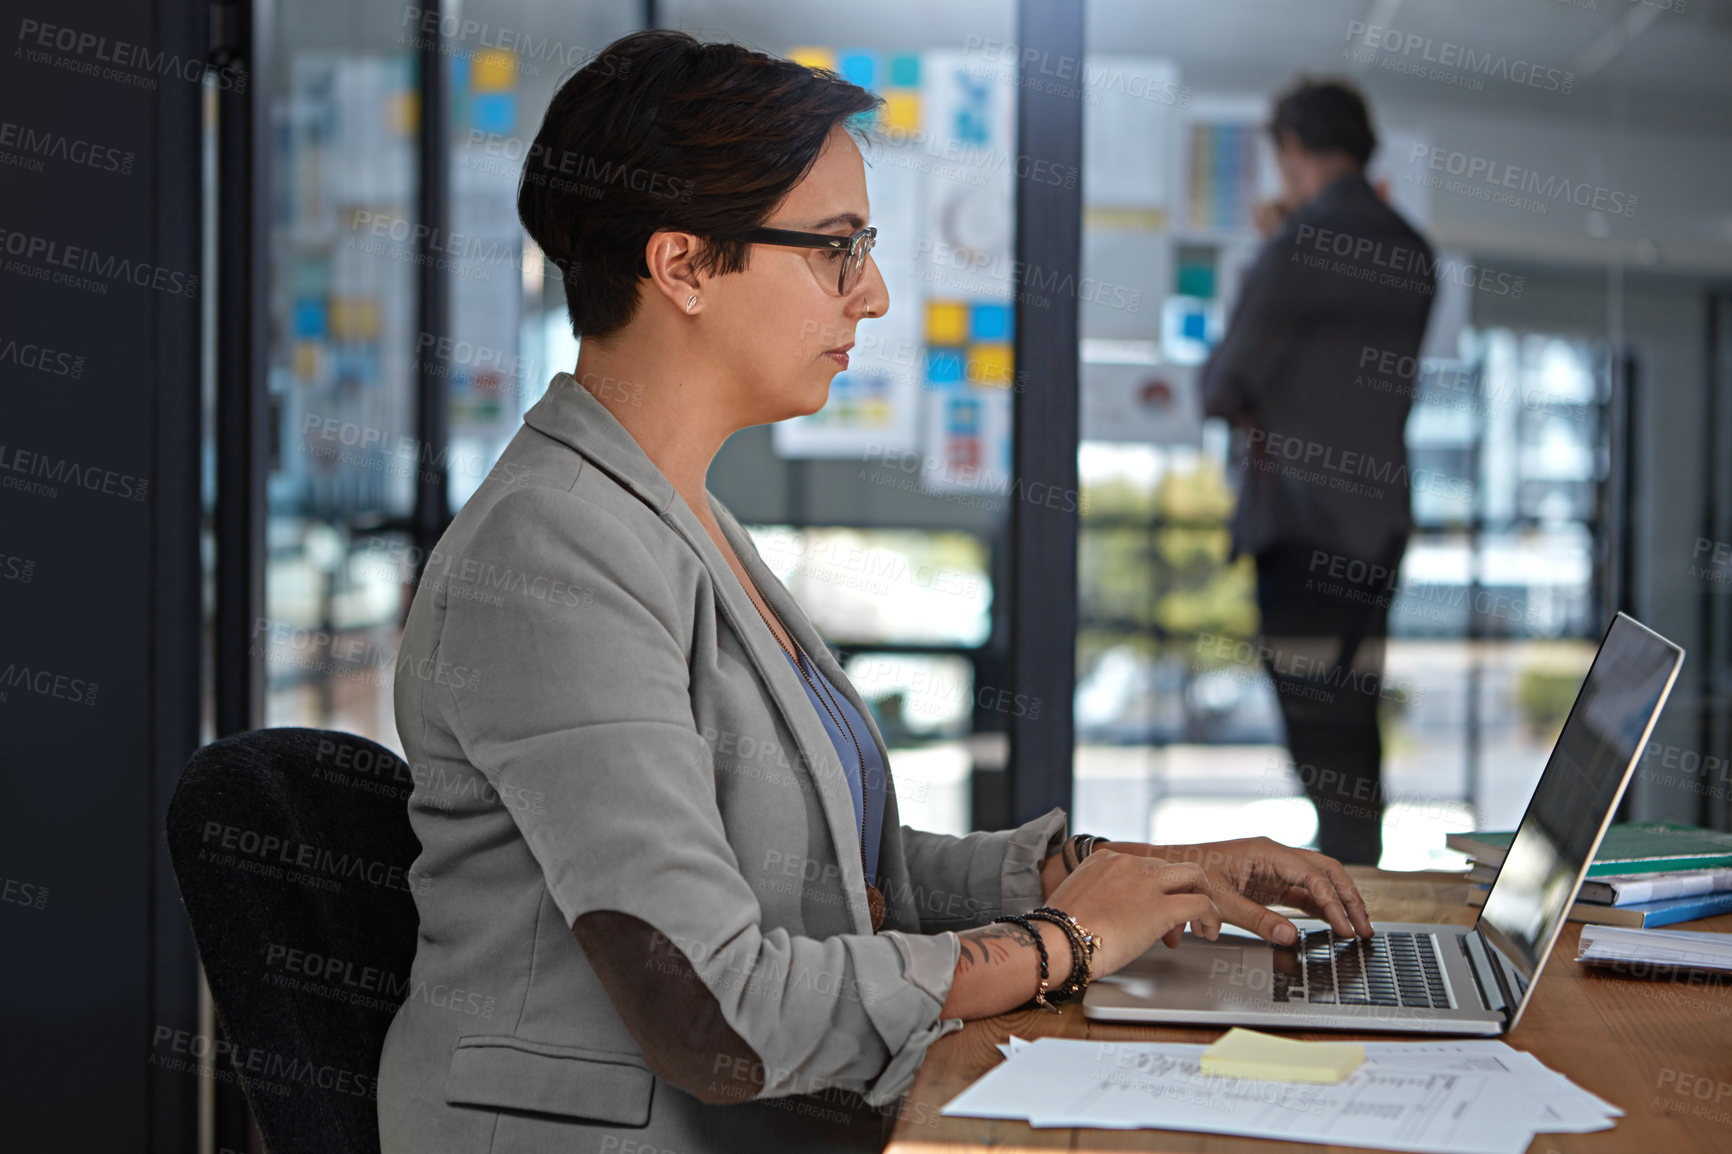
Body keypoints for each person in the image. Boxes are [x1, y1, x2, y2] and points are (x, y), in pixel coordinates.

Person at [377, 31, 1373, 1154]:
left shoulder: (675, 513)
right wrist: (1059, 944)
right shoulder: (552, 551)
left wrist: (1117, 875)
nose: (877, 293)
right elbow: (716, 1007)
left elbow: (836, 877)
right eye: (836, 249)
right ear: (684, 264)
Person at [1201, 78, 1437, 865]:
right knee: (1353, 723)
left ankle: (1345, 902)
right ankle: (1365, 890)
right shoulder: (1412, 250)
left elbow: (1225, 384)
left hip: (1301, 527)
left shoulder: (1298, 245)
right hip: (1377, 527)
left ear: (1293, 150)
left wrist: (1269, 252)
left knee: (1315, 730)